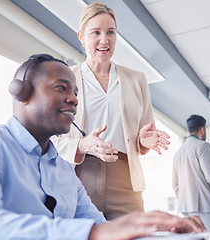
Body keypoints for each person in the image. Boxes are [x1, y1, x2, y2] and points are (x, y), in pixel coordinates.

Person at [0, 54, 205, 240]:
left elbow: (101, 227)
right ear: (22, 92)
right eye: (61, 88)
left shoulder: (64, 170)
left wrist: (155, 229)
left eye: (75, 92)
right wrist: (92, 233)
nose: (74, 99)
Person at [51, 2, 170, 220]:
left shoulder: (137, 79)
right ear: (81, 36)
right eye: (95, 32)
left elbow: (144, 134)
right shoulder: (65, 78)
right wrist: (81, 144)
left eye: (110, 32)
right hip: (79, 176)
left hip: (126, 178)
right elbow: (50, 140)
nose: (104, 40)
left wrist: (144, 141)